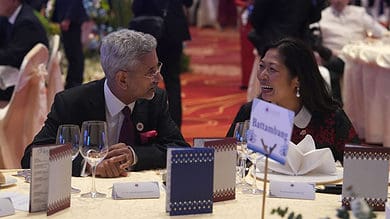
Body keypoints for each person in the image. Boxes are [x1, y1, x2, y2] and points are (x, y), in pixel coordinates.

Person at [21, 29, 190, 177]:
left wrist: (134, 155)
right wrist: (89, 165)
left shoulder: (155, 100)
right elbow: (33, 156)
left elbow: (180, 149)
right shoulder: (72, 103)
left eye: (157, 68)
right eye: (150, 72)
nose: (159, 78)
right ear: (122, 79)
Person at [226, 38, 360, 163]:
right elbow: (227, 163)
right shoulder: (251, 113)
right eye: (261, 66)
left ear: (297, 79)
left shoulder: (330, 118)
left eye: (272, 69)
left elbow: (358, 168)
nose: (262, 75)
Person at [132, 0, 193, 129]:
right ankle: (175, 128)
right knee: (173, 83)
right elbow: (188, 3)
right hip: (173, 30)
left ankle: (147, 125)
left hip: (150, 32)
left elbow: (137, 6)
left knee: (146, 80)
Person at [0, 0, 48, 101]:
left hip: (25, 83)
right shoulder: (12, 16)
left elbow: (12, 56)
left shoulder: (27, 22)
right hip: (17, 73)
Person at [51, 0, 88, 89]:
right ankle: (71, 82)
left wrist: (68, 18)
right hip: (64, 16)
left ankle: (75, 83)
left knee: (75, 53)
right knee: (70, 53)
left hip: (71, 20)